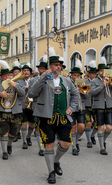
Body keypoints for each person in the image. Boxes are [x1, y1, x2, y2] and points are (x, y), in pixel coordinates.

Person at [30, 55, 78, 184]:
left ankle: (56, 161)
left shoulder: (66, 80)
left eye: (60, 65)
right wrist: (43, 77)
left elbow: (75, 94)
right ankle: (51, 172)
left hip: (63, 116)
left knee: (66, 143)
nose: (59, 67)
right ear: (49, 66)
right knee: (49, 145)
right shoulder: (41, 79)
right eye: (56, 65)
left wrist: (72, 108)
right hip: (47, 117)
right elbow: (31, 93)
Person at [0, 60, 25, 159]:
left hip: (15, 111)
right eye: (5, 76)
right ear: (1, 77)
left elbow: (23, 94)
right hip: (0, 111)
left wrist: (16, 86)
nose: (7, 77)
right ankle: (4, 152)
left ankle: (9, 144)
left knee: (14, 133)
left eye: (9, 75)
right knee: (3, 132)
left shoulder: (15, 82)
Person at [91, 57, 112, 155]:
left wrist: (111, 82)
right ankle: (102, 148)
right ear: (98, 72)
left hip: (109, 105)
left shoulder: (111, 79)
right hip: (98, 106)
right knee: (101, 128)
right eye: (101, 70)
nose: (103, 72)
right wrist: (102, 85)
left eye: (104, 70)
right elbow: (92, 92)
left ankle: (103, 140)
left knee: (109, 128)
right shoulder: (94, 81)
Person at [28, 55, 48, 156]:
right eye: (41, 68)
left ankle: (47, 145)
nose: (43, 70)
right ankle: (41, 147)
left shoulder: (51, 79)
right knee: (38, 127)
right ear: (38, 69)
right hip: (37, 106)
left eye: (44, 69)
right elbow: (31, 94)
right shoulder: (33, 80)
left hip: (48, 106)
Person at [68, 59, 85, 156]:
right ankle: (74, 147)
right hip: (71, 108)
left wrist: (81, 89)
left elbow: (87, 96)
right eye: (75, 75)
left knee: (82, 127)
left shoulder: (82, 83)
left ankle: (75, 141)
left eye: (78, 75)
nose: (77, 77)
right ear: (72, 76)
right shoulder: (69, 83)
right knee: (73, 127)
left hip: (80, 108)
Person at [18, 62, 35, 149]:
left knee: (32, 124)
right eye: (24, 70)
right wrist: (25, 87)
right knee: (24, 123)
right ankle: (24, 141)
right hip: (23, 105)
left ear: (30, 72)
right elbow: (18, 90)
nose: (26, 72)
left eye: (27, 70)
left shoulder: (33, 80)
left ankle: (28, 137)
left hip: (32, 105)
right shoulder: (19, 81)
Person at [84, 60, 97, 147]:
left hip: (96, 105)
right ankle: (88, 141)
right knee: (88, 123)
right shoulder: (85, 81)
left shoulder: (98, 81)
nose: (93, 75)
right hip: (87, 104)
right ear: (89, 74)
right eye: (92, 73)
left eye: (95, 73)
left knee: (98, 124)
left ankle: (92, 136)